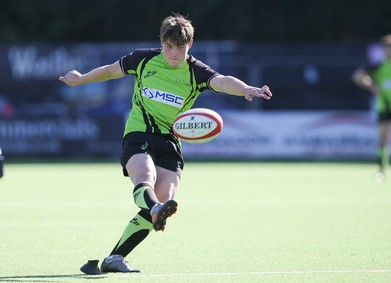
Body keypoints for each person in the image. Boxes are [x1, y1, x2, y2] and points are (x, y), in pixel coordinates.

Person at [59, 13, 272, 274]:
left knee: (164, 198)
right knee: (145, 177)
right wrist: (81, 79)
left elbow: (222, 81)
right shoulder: (144, 59)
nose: (173, 53)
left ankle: (115, 257)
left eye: (180, 47)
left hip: (171, 141)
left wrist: (247, 88)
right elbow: (111, 70)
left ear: (189, 45)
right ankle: (154, 211)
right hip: (139, 134)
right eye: (169, 47)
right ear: (162, 43)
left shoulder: (196, 72)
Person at [352, 34, 391, 182]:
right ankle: (381, 170)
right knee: (383, 138)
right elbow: (357, 76)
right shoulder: (378, 66)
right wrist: (372, 87)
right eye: (387, 47)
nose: (390, 50)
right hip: (383, 107)